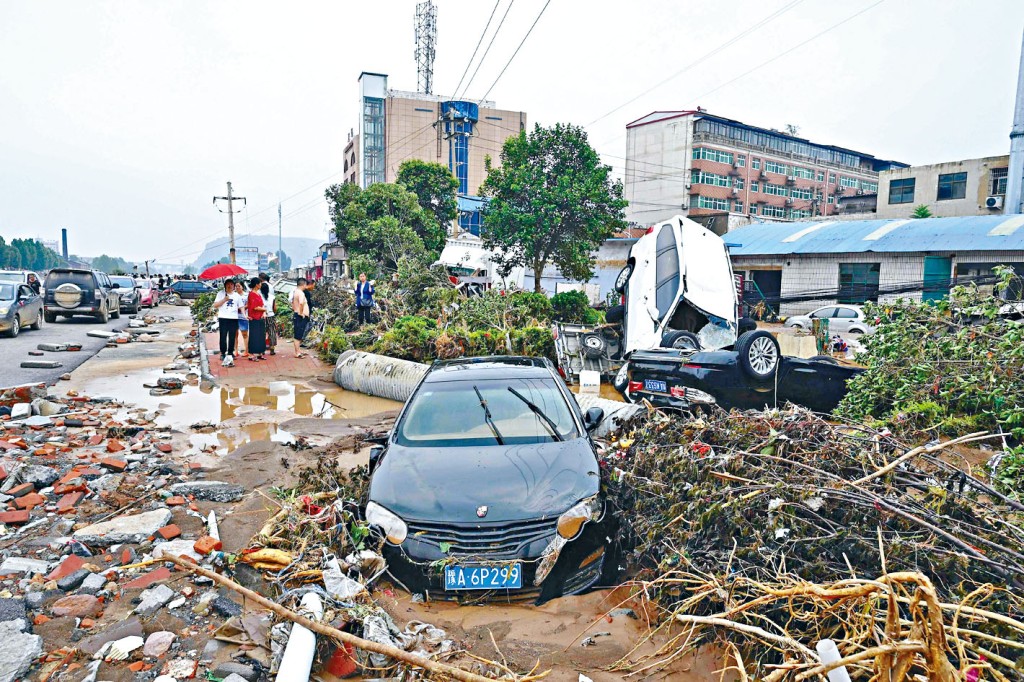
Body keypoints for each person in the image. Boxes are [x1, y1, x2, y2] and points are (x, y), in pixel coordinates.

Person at [213, 279, 242, 367]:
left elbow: (241, 306)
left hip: (233, 318)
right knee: (223, 336)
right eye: (228, 284)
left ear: (233, 286)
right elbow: (215, 305)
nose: (230, 286)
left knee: (232, 336)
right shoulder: (220, 294)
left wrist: (244, 315)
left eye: (231, 284)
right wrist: (224, 300)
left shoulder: (237, 295)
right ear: (225, 285)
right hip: (223, 318)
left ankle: (230, 352)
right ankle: (223, 352)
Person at [246, 277, 267, 361]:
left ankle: (260, 352)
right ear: (257, 284)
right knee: (254, 335)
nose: (261, 285)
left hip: (260, 317)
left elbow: (261, 305)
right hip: (254, 317)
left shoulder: (258, 294)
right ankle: (251, 354)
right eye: (260, 283)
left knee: (261, 335)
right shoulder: (252, 294)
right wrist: (265, 310)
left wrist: (264, 312)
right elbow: (255, 307)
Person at [291, 278, 310, 358]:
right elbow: (301, 303)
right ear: (303, 284)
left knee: (299, 334)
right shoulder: (301, 293)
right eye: (305, 284)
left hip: (297, 315)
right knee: (298, 335)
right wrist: (301, 313)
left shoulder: (295, 292)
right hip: (300, 316)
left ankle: (298, 350)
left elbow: (292, 302)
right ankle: (297, 353)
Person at [259, 273, 277, 355]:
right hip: (271, 315)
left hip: (262, 316)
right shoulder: (272, 297)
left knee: (262, 332)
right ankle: (272, 348)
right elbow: (275, 308)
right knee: (272, 332)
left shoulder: (259, 296)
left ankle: (262, 349)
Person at [236, 279, 249, 357]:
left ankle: (246, 350)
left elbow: (248, 304)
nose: (237, 287)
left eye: (239, 286)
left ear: (242, 287)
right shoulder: (233, 295)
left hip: (243, 317)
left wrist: (241, 308)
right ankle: (235, 350)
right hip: (234, 317)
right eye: (236, 286)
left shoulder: (246, 295)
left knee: (245, 334)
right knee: (235, 334)